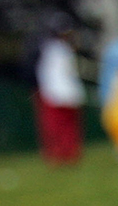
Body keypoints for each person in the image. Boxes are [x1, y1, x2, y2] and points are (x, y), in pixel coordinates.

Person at [35, 14, 85, 165]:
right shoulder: (53, 50)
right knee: (58, 127)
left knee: (65, 127)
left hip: (62, 95)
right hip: (57, 95)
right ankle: (61, 154)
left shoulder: (59, 50)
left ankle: (68, 154)